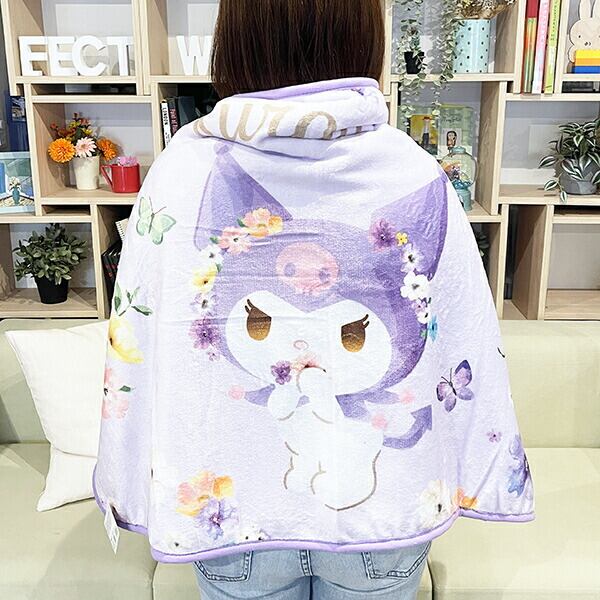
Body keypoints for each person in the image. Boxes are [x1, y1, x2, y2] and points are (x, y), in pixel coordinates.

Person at [93, 1, 535, 599]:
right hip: (382, 523)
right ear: (364, 36)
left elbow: (140, 343)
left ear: (235, 38)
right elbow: (465, 335)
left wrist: (127, 474)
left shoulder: (181, 173)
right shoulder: (411, 171)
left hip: (232, 518)